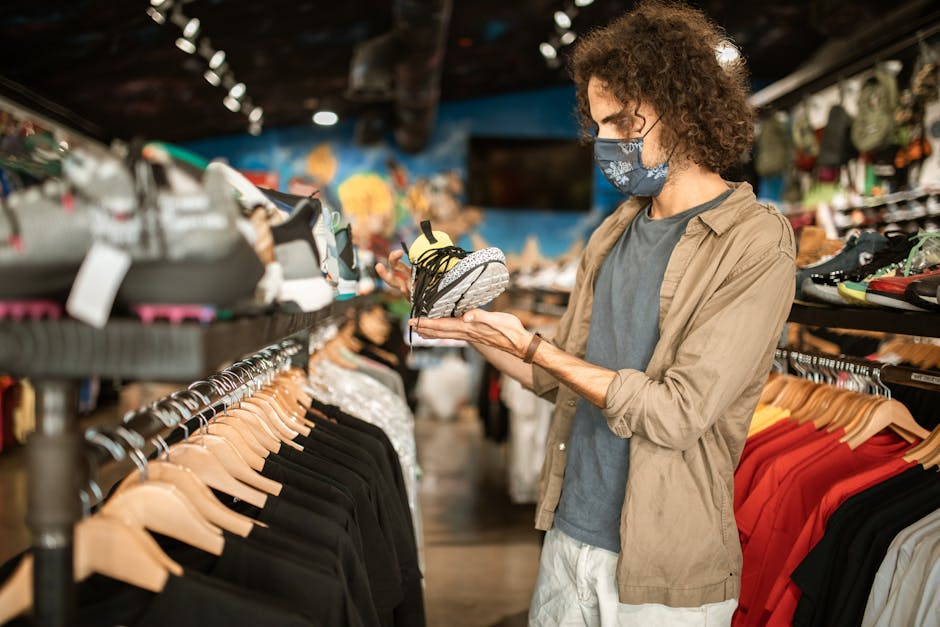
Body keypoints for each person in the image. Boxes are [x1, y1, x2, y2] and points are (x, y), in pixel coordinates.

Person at [377, 2, 795, 625]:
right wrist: (466, 324)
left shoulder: (754, 240)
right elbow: (558, 380)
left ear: (681, 108)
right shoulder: (615, 232)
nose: (604, 141)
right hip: (569, 536)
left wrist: (538, 348)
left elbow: (678, 412)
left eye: (622, 121)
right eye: (597, 124)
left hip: (662, 570)